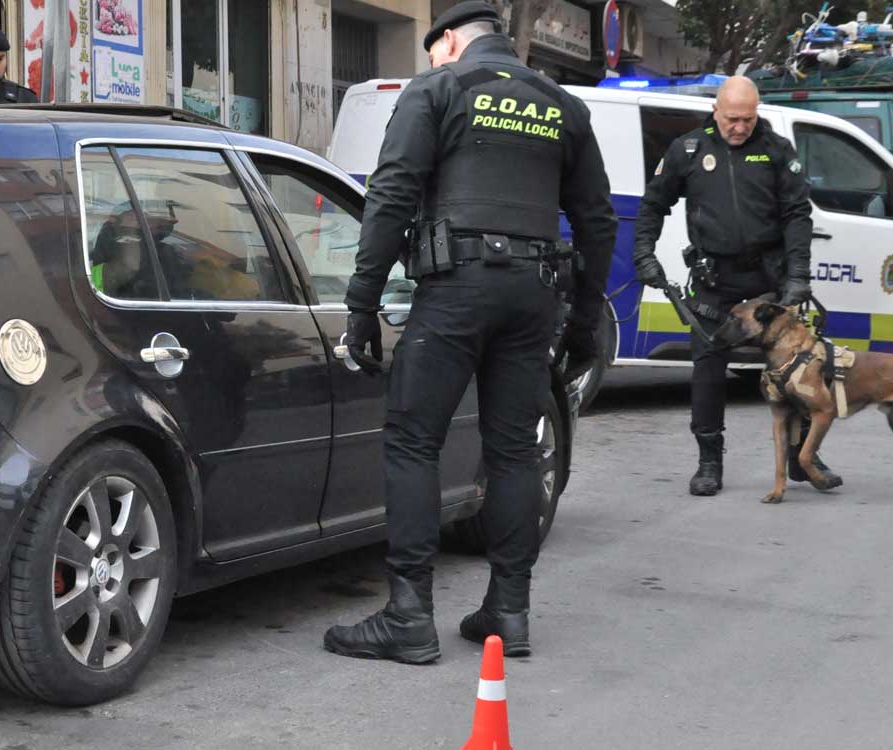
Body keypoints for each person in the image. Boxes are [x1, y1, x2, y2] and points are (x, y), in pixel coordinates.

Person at [322, 1, 616, 663]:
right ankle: (509, 612)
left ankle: (408, 614)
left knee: (412, 440)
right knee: (513, 449)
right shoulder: (561, 105)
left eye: (432, 48)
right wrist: (584, 319)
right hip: (533, 295)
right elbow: (597, 221)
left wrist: (362, 302)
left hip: (456, 290)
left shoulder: (438, 88)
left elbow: (392, 193)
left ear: (450, 40)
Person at [631, 76, 835, 497]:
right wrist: (644, 255)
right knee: (707, 366)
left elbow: (797, 214)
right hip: (714, 277)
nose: (740, 127)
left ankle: (801, 457)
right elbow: (653, 205)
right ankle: (709, 461)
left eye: (747, 118)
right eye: (732, 119)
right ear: (715, 111)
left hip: (768, 276)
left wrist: (798, 276)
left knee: (795, 369)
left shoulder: (776, 150)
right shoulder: (688, 150)